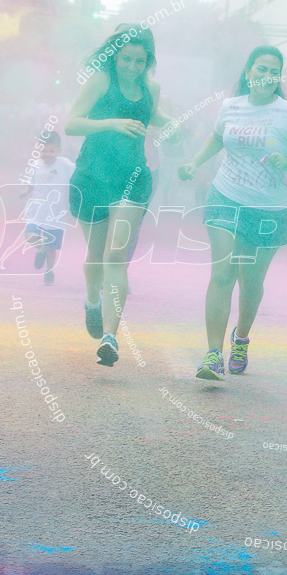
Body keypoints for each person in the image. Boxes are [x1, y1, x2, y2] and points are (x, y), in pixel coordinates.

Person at [179, 46, 287, 380]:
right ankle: (213, 354)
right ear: (248, 72)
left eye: (273, 71)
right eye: (261, 69)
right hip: (226, 195)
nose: (266, 76)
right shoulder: (230, 107)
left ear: (278, 77)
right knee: (223, 273)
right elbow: (216, 138)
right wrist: (195, 162)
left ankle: (240, 338)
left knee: (250, 282)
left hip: (269, 206)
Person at [64, 25, 174, 366]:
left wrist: (172, 125)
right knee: (96, 256)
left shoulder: (152, 88)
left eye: (140, 61)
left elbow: (155, 116)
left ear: (149, 61)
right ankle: (91, 301)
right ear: (115, 56)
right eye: (126, 58)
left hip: (132, 179)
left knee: (116, 255)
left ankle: (110, 337)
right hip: (93, 176)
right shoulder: (99, 80)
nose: (132, 66)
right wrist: (111, 123)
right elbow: (71, 123)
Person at [20, 132, 74, 285]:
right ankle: (40, 248)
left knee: (52, 247)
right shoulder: (35, 164)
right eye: (44, 150)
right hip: (36, 210)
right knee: (30, 235)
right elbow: (31, 182)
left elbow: (78, 176)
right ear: (39, 149)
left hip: (56, 213)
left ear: (59, 150)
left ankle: (49, 271)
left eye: (51, 151)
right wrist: (24, 191)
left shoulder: (65, 165)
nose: (47, 154)